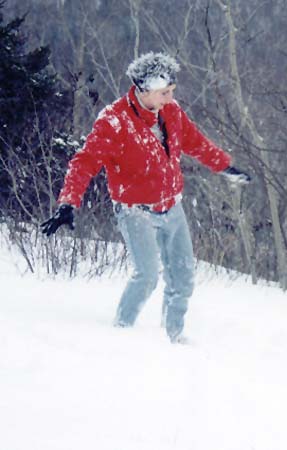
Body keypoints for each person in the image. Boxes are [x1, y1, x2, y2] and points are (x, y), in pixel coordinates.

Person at [41, 52, 251, 344]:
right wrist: (68, 202)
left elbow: (195, 142)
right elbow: (85, 162)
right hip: (135, 211)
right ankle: (121, 333)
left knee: (183, 278)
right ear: (144, 89)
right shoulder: (114, 121)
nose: (170, 98)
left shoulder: (171, 112)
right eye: (165, 92)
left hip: (172, 206)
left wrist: (224, 166)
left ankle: (172, 336)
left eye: (171, 91)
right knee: (147, 276)